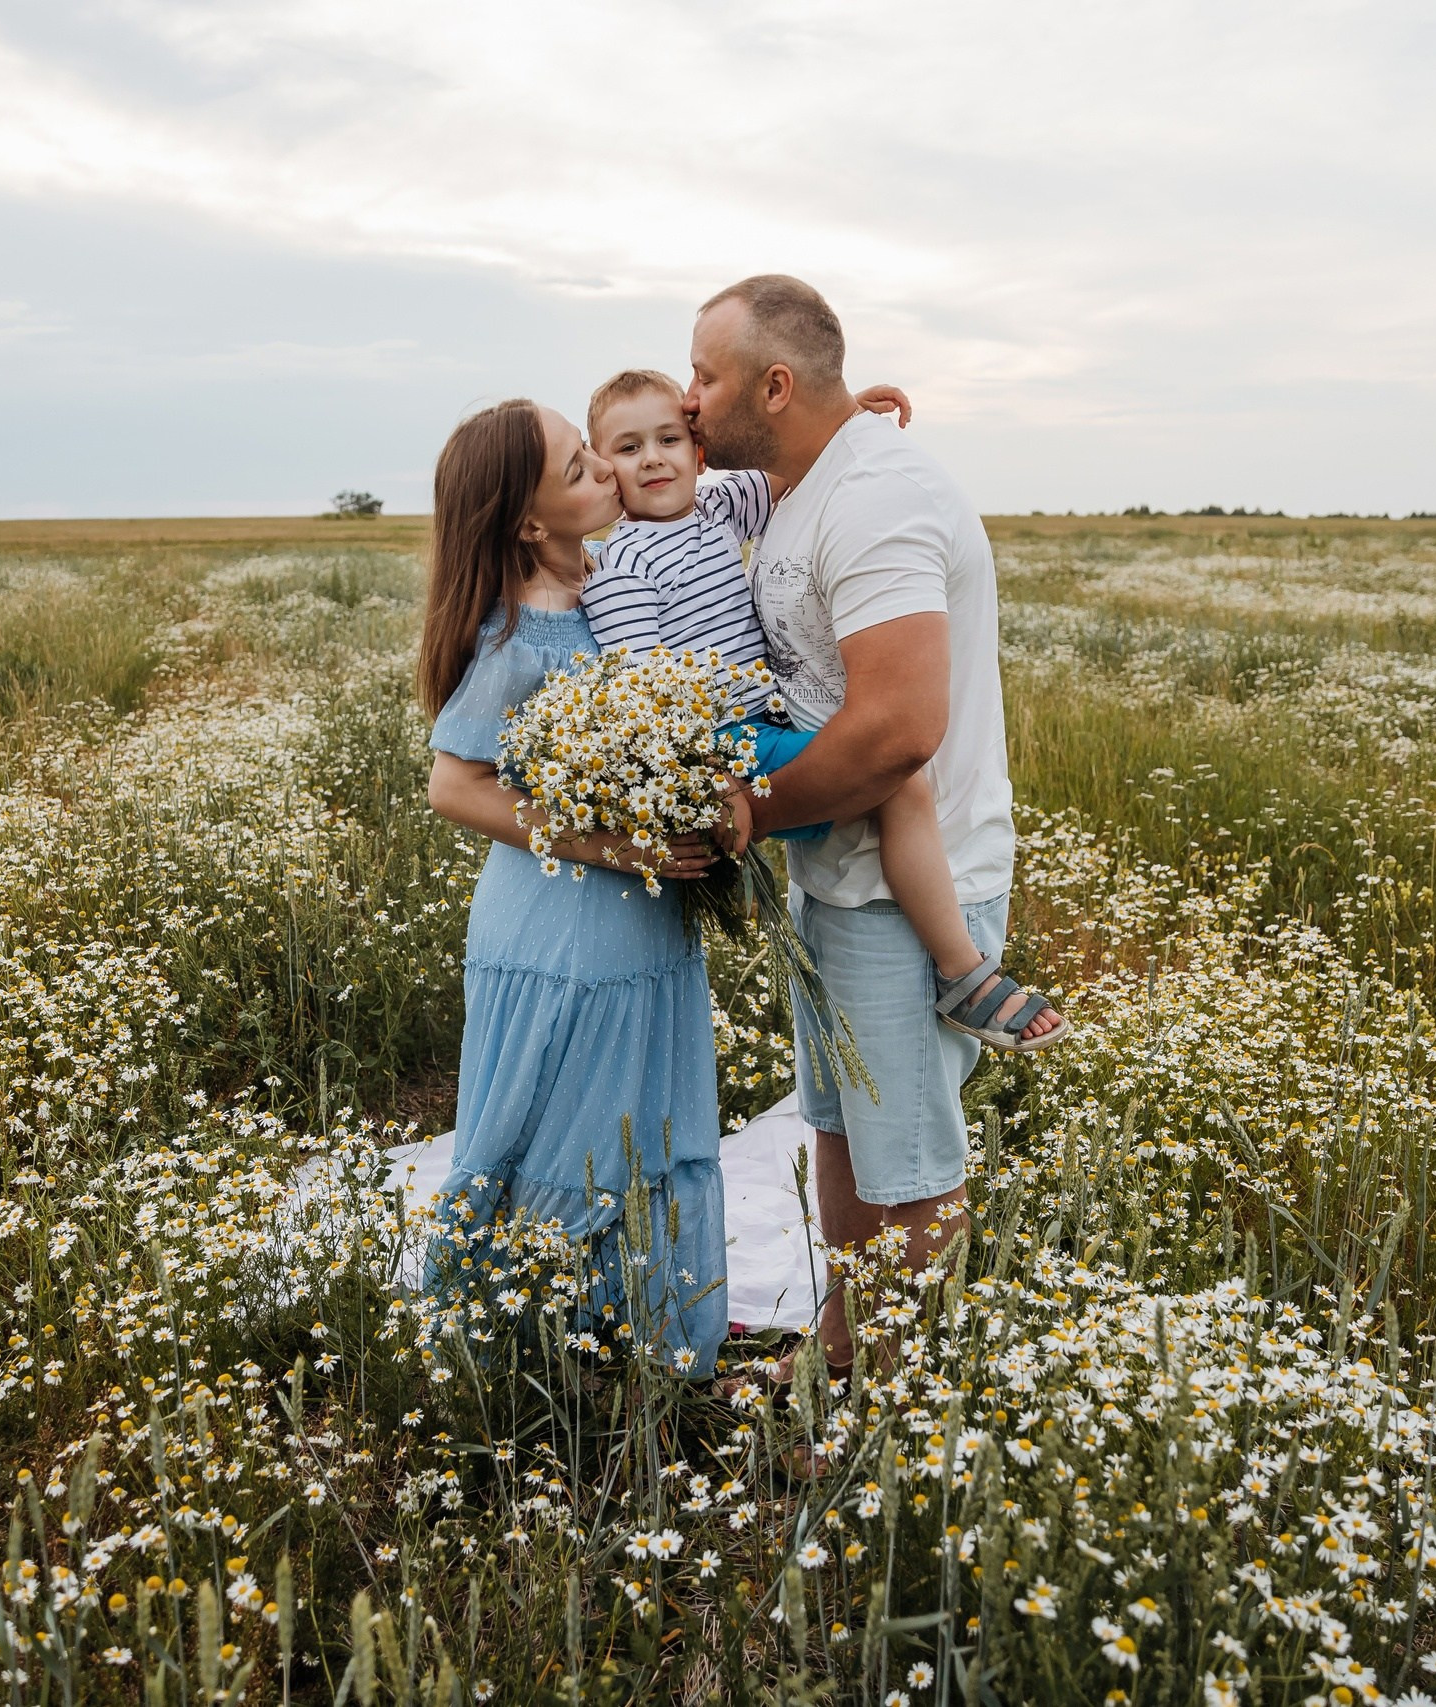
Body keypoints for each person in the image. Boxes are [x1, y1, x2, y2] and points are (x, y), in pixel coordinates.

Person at [684, 275, 1058, 1392]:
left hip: (908, 888)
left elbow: (897, 729)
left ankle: (881, 1424)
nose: (692, 400)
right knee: (843, 1135)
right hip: (839, 875)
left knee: (911, 1170)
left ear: (777, 385)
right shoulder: (802, 479)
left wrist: (744, 822)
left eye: (706, 378)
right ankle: (838, 1363)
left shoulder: (878, 495)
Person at [578, 369, 1061, 1055]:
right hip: (726, 743)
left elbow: (794, 462)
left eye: (668, 439)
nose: (653, 458)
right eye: (628, 449)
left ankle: (952, 963)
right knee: (897, 782)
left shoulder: (717, 506)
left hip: (767, 726)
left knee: (883, 775)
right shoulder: (622, 565)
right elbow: (642, 694)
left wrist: (850, 409)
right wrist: (712, 782)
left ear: (699, 451)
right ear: (604, 468)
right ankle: (963, 972)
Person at [417, 397, 731, 1376]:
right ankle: (518, 1372)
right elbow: (453, 786)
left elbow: (719, 494)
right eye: (576, 465)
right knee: (564, 1138)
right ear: (526, 520)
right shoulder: (514, 637)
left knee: (650, 1131)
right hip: (560, 932)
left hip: (642, 926)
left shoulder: (614, 579)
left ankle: (645, 1365)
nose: (606, 468)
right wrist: (615, 848)